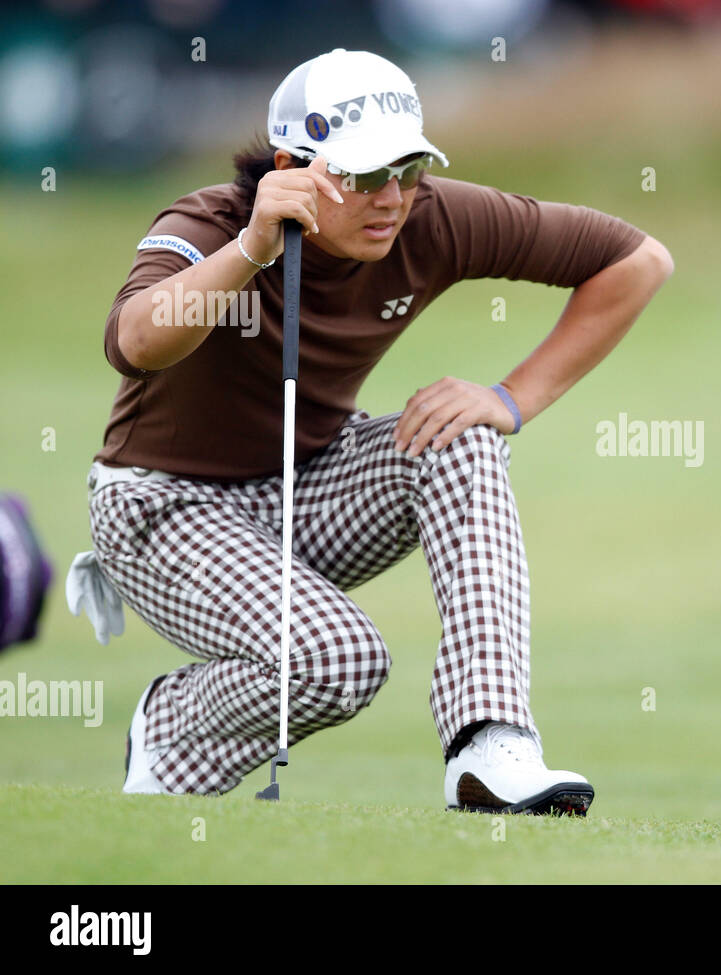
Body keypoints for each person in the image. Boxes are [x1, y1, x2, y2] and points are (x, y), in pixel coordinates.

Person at [68, 48, 673, 814]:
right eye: (361, 176)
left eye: (409, 169)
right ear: (291, 166)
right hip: (159, 509)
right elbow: (133, 341)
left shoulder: (429, 218)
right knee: (339, 658)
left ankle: (489, 745)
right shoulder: (211, 221)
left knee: (463, 437)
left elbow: (637, 260)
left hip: (308, 487)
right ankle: (170, 729)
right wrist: (252, 247)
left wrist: (511, 398)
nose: (391, 198)